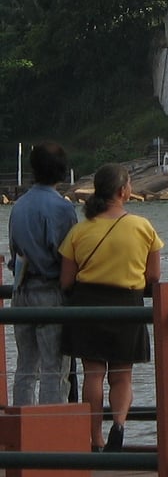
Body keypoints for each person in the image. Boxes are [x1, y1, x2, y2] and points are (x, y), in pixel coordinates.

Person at [59, 163, 163, 453]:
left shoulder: (80, 231)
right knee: (122, 375)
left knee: (93, 375)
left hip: (88, 304)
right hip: (127, 304)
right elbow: (154, 276)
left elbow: (66, 279)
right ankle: (119, 423)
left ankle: (95, 438)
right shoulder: (143, 227)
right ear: (123, 191)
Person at [7, 142, 77, 405]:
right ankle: (51, 430)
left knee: (25, 367)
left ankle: (22, 429)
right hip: (49, 291)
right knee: (54, 368)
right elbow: (68, 254)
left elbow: (14, 251)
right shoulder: (62, 208)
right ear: (61, 170)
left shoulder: (19, 206)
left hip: (21, 291)